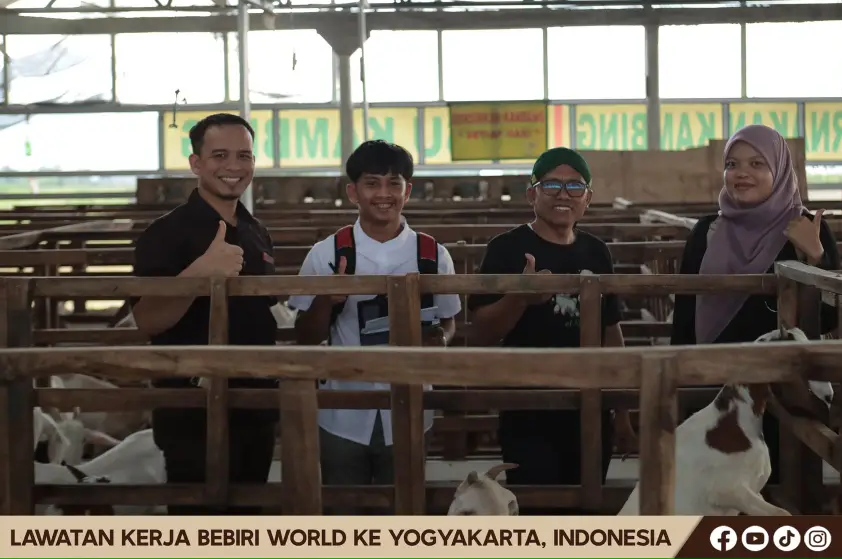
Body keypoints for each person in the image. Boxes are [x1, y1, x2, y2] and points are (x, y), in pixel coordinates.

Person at [288, 140, 462, 514]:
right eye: (371, 183)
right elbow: (304, 335)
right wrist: (327, 300)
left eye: (393, 183)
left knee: (405, 512)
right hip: (341, 410)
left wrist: (441, 339)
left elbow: (448, 320)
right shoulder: (326, 253)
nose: (384, 194)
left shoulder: (433, 254)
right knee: (343, 511)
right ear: (353, 191)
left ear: (407, 190)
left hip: (413, 408)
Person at [467, 147, 638, 515]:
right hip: (528, 406)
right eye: (552, 185)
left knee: (589, 509)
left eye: (575, 186)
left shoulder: (597, 252)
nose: (564, 194)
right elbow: (480, 333)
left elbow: (611, 332)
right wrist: (520, 297)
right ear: (532, 194)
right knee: (537, 508)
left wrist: (621, 410)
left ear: (588, 198)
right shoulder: (506, 249)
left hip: (590, 407)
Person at [670, 123, 840, 484]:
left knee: (784, 486)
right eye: (732, 164)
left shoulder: (808, 228)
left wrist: (815, 257)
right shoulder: (706, 233)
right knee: (714, 491)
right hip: (714, 388)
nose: (741, 173)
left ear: (780, 170)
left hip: (782, 387)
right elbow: (684, 316)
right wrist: (679, 387)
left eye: (757, 163)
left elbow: (828, 318)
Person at [130, 113, 279, 515]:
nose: (234, 166)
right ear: (196, 163)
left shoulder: (257, 232)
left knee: (249, 520)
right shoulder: (165, 234)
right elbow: (147, 319)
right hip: (190, 408)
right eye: (220, 155)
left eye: (244, 156)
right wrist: (200, 273)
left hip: (255, 404)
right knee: (197, 522)